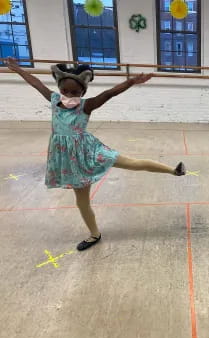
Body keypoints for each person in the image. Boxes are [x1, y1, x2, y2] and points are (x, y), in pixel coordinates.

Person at [6, 57, 186, 251]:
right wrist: (17, 70)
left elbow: (109, 93)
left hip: (90, 152)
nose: (68, 95)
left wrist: (131, 82)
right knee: (82, 202)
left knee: (131, 163)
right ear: (59, 89)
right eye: (65, 91)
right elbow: (36, 83)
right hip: (70, 161)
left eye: (75, 92)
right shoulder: (53, 99)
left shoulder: (86, 106)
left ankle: (173, 171)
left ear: (83, 92)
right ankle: (94, 235)